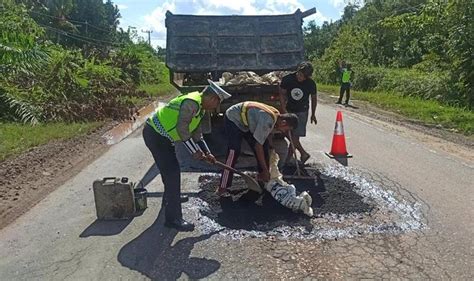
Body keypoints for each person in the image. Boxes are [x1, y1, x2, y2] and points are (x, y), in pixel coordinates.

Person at [142, 79, 231, 231]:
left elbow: (197, 134)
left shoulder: (200, 108)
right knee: (172, 173)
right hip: (155, 135)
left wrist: (207, 152)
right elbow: (182, 130)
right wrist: (194, 152)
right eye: (217, 103)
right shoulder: (191, 103)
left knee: (169, 172)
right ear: (211, 98)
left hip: (164, 138)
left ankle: (171, 198)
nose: (216, 107)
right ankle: (173, 219)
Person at [217, 101, 298, 195]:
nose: (284, 132)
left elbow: (266, 135)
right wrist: (266, 169)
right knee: (234, 151)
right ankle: (223, 186)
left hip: (247, 122)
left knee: (265, 147)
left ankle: (263, 180)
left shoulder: (276, 115)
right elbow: (257, 146)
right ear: (284, 123)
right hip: (233, 118)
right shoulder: (268, 120)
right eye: (286, 129)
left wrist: (270, 147)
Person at [279, 61, 317, 165]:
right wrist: (283, 108)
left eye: (304, 77)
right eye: (300, 75)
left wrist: (313, 114)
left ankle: (288, 160)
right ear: (298, 71)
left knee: (295, 136)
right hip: (289, 110)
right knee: (288, 133)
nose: (301, 78)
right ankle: (303, 153)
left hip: (302, 112)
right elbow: (282, 93)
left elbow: (314, 99)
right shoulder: (288, 79)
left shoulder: (310, 84)